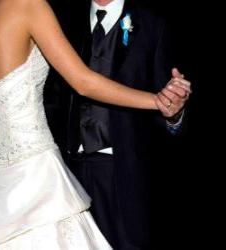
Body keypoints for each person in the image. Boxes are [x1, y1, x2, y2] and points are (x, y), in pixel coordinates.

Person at [0, 0, 190, 249]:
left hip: (1, 173)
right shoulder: (32, 6)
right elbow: (82, 83)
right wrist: (157, 100)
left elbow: (6, 92)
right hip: (39, 171)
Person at [41, 0, 191, 249]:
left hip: (125, 175)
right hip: (67, 173)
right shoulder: (59, 22)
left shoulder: (153, 24)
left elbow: (166, 104)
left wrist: (174, 111)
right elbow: (50, 97)